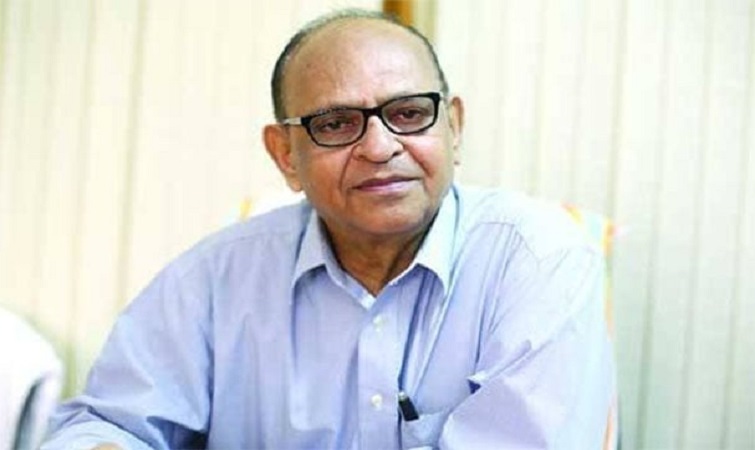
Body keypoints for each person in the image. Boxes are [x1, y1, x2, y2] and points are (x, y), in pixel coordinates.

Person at [42, 8, 616, 450]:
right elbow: (106, 422)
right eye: (336, 124)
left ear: (454, 128)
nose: (380, 147)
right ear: (285, 155)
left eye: (409, 114)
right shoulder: (216, 278)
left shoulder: (540, 261)